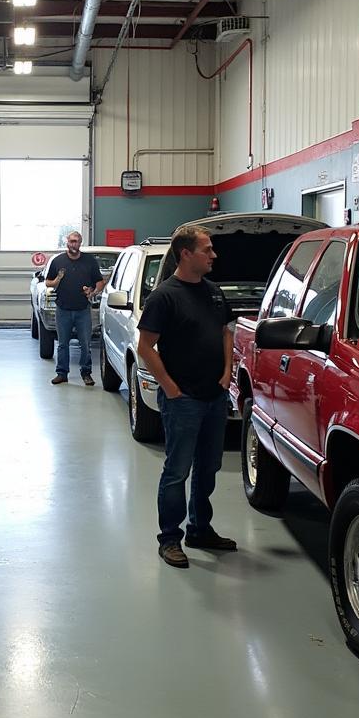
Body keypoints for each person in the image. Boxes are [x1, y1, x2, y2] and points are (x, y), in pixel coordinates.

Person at [137, 224, 237, 569]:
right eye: (207, 250)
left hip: (214, 396)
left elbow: (225, 332)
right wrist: (170, 388)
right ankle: (170, 538)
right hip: (184, 400)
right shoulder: (164, 296)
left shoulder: (213, 292)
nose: (214, 256)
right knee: (178, 470)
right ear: (186, 254)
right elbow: (145, 347)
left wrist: (227, 373)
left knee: (209, 468)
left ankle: (200, 529)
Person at [45, 231, 104, 386]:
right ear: (67, 242)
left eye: (77, 241)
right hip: (63, 309)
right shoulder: (58, 261)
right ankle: (62, 373)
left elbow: (99, 282)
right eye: (71, 241)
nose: (74, 244)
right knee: (63, 344)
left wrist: (92, 292)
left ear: (80, 243)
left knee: (85, 344)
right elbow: (48, 282)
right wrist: (58, 279)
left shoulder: (89, 261)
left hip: (83, 310)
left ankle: (86, 373)